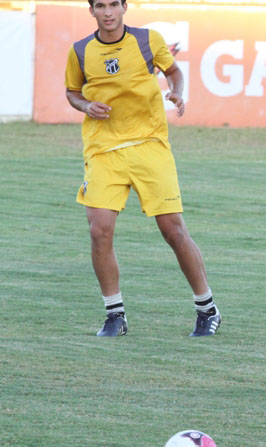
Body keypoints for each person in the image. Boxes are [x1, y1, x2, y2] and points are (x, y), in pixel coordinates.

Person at [65, 0, 220, 337]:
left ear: (125, 7)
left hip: (149, 146)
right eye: (100, 6)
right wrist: (86, 105)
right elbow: (72, 92)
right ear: (91, 11)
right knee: (99, 230)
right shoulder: (80, 50)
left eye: (114, 5)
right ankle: (115, 315)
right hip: (104, 150)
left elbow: (174, 72)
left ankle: (207, 308)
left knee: (173, 230)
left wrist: (177, 93)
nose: (108, 12)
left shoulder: (148, 39)